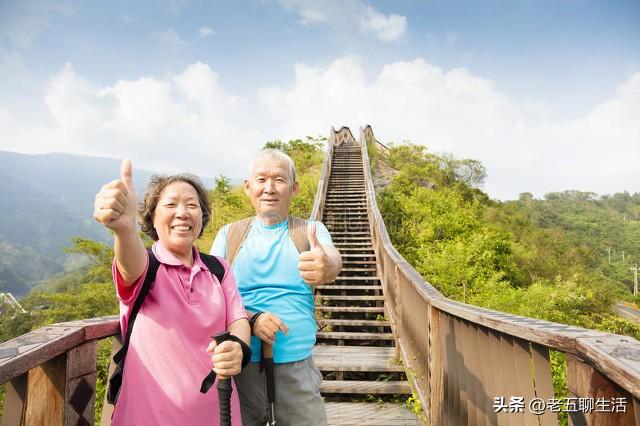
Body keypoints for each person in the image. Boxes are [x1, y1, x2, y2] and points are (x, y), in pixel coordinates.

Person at [93, 159, 250, 426]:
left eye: (192, 205)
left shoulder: (219, 268)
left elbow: (237, 319)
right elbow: (130, 266)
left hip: (219, 412)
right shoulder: (147, 267)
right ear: (152, 218)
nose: (183, 212)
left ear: (202, 216)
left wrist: (239, 347)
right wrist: (124, 229)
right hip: (150, 416)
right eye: (170, 205)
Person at [210, 149, 342, 426]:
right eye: (261, 179)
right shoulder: (229, 235)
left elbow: (331, 260)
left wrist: (325, 265)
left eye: (279, 180)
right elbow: (211, 299)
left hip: (296, 371)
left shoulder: (310, 232)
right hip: (239, 369)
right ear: (248, 187)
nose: (269, 188)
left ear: (294, 188)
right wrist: (250, 319)